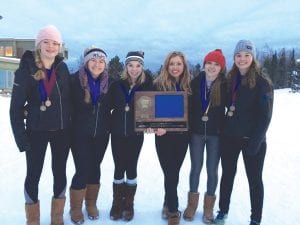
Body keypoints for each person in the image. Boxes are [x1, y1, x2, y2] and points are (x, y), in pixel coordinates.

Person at [10, 25, 71, 225]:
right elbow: (15, 109)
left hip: (61, 131)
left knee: (60, 172)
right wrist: (22, 139)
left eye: (55, 43)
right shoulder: (26, 69)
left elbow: (70, 99)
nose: (51, 46)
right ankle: (33, 219)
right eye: (46, 41)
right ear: (38, 44)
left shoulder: (62, 68)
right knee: (33, 173)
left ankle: (57, 217)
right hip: (36, 132)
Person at [214, 40, 274, 225]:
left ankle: (255, 219)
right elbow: (223, 105)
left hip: (253, 140)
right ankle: (223, 212)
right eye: (238, 55)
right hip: (230, 138)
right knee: (227, 177)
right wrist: (223, 127)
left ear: (253, 57)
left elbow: (265, 116)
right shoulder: (230, 79)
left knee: (255, 181)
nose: (242, 59)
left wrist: (255, 142)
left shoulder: (263, 82)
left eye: (247, 55)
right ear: (234, 58)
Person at [69, 46, 113, 224]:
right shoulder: (74, 81)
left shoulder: (111, 83)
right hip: (79, 134)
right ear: (86, 62)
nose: (97, 64)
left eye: (101, 61)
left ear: (105, 64)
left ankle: (91, 203)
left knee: (95, 168)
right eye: (93, 60)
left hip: (101, 134)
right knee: (82, 169)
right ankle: (75, 208)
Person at [183, 49, 226, 224]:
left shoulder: (225, 84)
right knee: (195, 168)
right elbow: (186, 106)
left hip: (216, 134)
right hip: (197, 133)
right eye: (209, 63)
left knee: (212, 170)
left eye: (216, 64)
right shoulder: (195, 82)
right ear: (204, 64)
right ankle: (192, 205)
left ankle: (208, 207)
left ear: (221, 67)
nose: (212, 67)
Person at [108, 51, 153, 221]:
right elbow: (107, 106)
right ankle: (117, 203)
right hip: (117, 132)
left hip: (136, 134)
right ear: (126, 67)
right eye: (131, 65)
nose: (134, 69)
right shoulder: (116, 84)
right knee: (119, 167)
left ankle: (129, 204)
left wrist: (151, 125)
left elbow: (153, 110)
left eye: (138, 65)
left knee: (131, 166)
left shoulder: (148, 86)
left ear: (142, 67)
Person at [153, 51, 191, 225]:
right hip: (164, 137)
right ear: (167, 66)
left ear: (184, 67)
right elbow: (148, 113)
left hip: (182, 137)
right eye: (172, 64)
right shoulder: (158, 85)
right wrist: (154, 126)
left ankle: (168, 202)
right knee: (170, 173)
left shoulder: (189, 87)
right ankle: (174, 210)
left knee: (173, 173)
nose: (175, 67)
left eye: (179, 64)